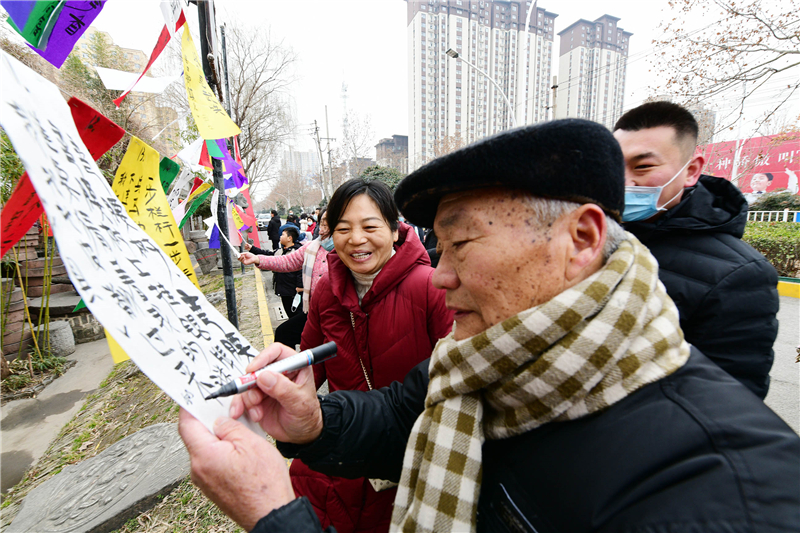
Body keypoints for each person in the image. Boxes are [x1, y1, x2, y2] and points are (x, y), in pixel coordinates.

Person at [179, 119, 799, 533]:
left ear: (582, 238)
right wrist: (313, 423)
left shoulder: (719, 489)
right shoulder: (485, 353)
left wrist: (275, 515)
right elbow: (400, 414)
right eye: (438, 247)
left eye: (462, 244)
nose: (440, 276)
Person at [280, 177, 453, 533]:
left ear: (395, 230)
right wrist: (279, 389)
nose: (356, 239)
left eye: (370, 227)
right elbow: (309, 364)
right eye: (343, 228)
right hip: (344, 452)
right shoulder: (326, 290)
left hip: (409, 459)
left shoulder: (431, 287)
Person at [614, 101, 779, 398]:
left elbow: (728, 399)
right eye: (613, 167)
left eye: (643, 166)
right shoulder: (592, 237)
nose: (623, 182)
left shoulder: (740, 275)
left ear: (691, 170)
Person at [239, 209, 332, 349]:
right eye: (321, 224)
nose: (321, 230)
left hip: (338, 315)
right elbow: (287, 261)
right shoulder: (312, 247)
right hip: (315, 311)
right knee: (284, 333)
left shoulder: (348, 249)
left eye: (327, 225)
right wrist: (257, 259)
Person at [251, 225, 303, 319]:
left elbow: (301, 270)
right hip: (284, 290)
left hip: (293, 291)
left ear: (289, 238)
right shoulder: (280, 251)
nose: (280, 237)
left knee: (296, 315)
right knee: (289, 313)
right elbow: (268, 255)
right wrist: (252, 249)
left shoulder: (297, 252)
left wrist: (300, 286)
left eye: (283, 235)